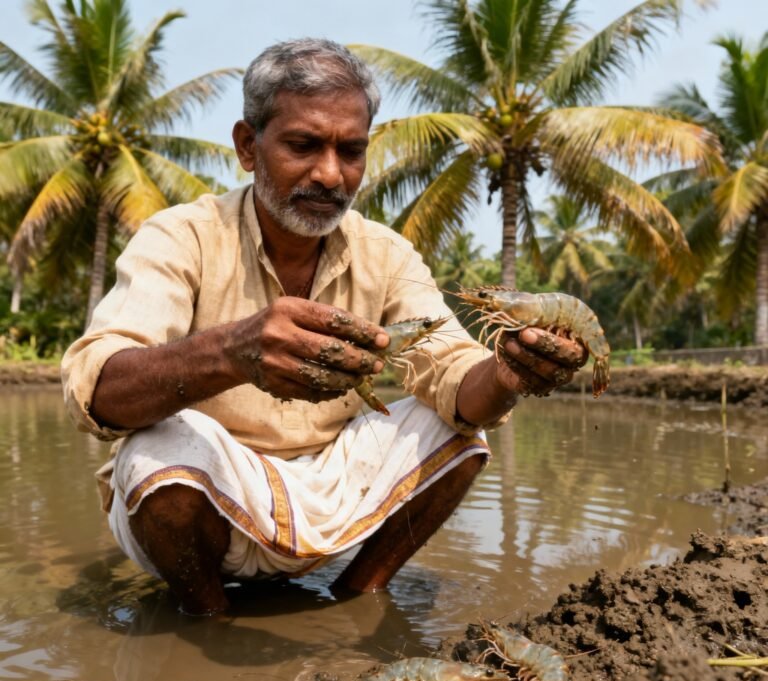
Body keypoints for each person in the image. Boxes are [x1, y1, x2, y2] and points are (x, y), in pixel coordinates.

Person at [61, 39, 586, 616]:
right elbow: (100, 391)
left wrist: (510, 372)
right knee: (156, 447)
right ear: (247, 145)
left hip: (330, 496)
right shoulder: (181, 236)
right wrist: (234, 352)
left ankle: (354, 595)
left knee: (458, 432)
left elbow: (453, 369)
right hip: (203, 496)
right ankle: (208, 617)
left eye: (351, 151)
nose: (331, 174)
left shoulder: (385, 254)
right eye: (303, 145)